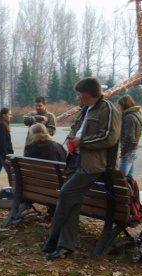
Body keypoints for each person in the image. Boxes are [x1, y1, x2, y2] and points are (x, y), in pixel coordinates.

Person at [43, 77, 121, 260]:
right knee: (72, 202)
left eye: (81, 93)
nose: (79, 96)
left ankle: (53, 240)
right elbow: (75, 129)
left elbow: (110, 137)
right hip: (74, 160)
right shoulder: (85, 109)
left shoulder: (108, 109)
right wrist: (72, 138)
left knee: (66, 194)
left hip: (93, 165)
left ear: (88, 93)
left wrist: (82, 142)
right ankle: (65, 247)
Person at [24, 123, 67, 218]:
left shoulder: (29, 149)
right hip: (55, 186)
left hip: (33, 188)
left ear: (32, 134)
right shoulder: (57, 146)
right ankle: (53, 211)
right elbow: (66, 163)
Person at [117, 95, 142, 178]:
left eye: (120, 105)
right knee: (129, 178)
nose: (119, 108)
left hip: (129, 151)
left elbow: (129, 137)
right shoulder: (135, 115)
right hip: (133, 150)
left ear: (124, 105)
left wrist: (123, 152)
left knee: (120, 179)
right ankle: (132, 190)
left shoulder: (129, 117)